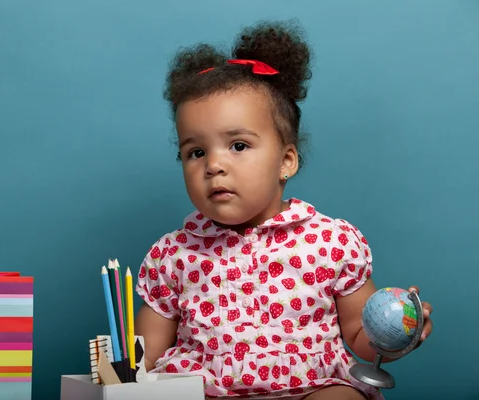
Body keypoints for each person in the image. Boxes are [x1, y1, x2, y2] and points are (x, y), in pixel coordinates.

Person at [134, 20, 433, 399]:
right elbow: (141, 357)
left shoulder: (331, 242)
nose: (213, 165)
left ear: (286, 161)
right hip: (209, 391)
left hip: (311, 388)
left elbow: (360, 336)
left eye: (238, 145)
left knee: (341, 397)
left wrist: (398, 334)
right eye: (196, 152)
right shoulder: (172, 255)